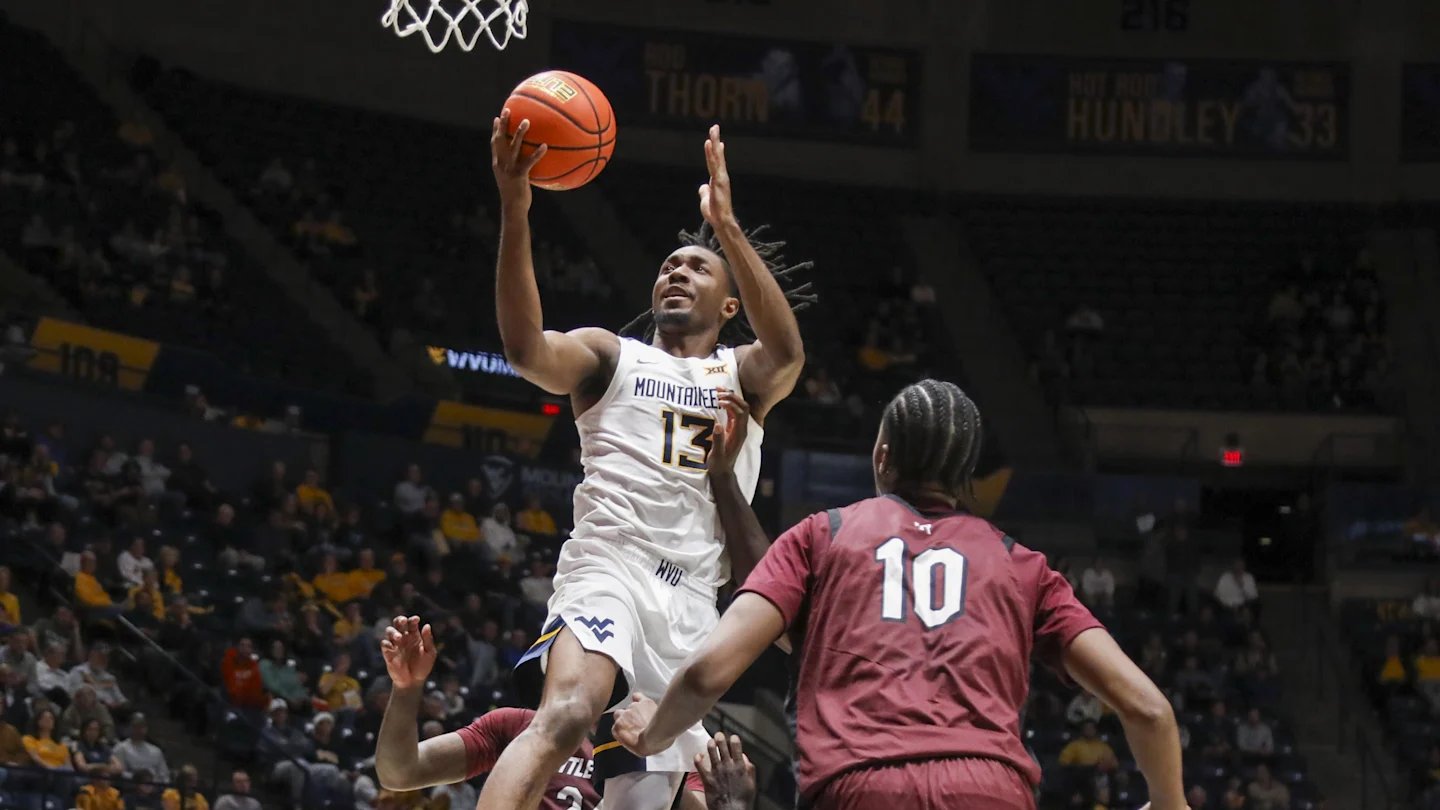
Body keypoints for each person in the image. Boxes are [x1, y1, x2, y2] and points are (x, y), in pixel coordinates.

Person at [612, 380, 1186, 810]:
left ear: (882, 456)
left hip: (858, 786)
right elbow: (1149, 709)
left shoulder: (823, 534)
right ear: (965, 476)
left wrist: (651, 734)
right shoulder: (1022, 564)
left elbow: (707, 673)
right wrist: (1169, 803)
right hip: (990, 789)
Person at [475, 117, 811, 810]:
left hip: (691, 604)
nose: (676, 271)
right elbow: (525, 351)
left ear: (730, 304)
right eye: (667, 266)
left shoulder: (741, 376)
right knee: (567, 712)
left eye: (696, 266)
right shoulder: (610, 356)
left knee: (645, 799)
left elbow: (788, 353)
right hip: (610, 564)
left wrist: (727, 227)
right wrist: (515, 205)